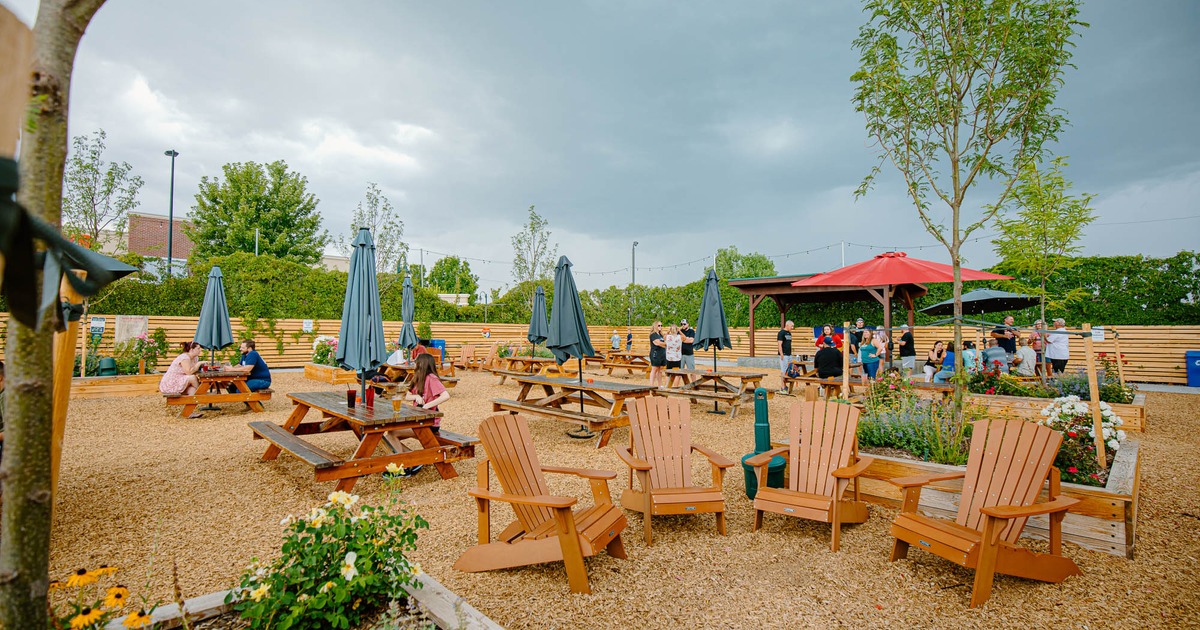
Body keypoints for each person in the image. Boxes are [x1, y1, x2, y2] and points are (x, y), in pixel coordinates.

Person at [383, 353, 450, 478]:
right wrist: (416, 396)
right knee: (389, 436)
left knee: (392, 434)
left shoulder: (431, 378)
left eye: (416, 362)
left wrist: (427, 405)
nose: (414, 364)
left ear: (422, 364)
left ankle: (400, 468)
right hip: (418, 421)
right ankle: (412, 461)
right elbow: (407, 395)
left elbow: (446, 395)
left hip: (429, 424)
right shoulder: (418, 377)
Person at [777, 320, 794, 393]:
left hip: (789, 354)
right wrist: (781, 354)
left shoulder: (789, 333)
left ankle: (786, 385)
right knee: (783, 370)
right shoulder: (781, 333)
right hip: (784, 354)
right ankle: (782, 387)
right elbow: (779, 344)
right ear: (787, 325)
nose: (792, 327)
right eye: (791, 326)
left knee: (789, 370)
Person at [648, 321, 667, 386]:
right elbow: (658, 343)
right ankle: (651, 385)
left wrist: (664, 344)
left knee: (660, 370)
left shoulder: (661, 335)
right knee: (654, 369)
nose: (660, 327)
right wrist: (665, 344)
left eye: (661, 325)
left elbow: (663, 343)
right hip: (655, 354)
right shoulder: (653, 335)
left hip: (662, 353)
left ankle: (660, 385)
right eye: (659, 325)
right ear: (655, 326)